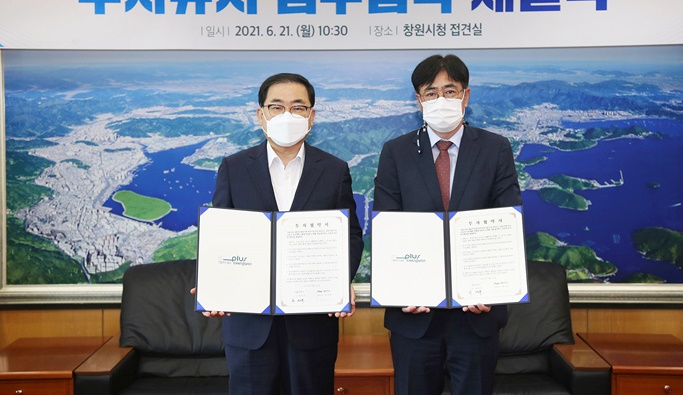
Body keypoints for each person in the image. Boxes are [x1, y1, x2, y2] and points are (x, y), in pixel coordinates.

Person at [195, 72, 364, 395]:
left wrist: (340, 278)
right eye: (276, 107)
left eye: (298, 107)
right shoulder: (234, 167)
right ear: (261, 115)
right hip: (249, 326)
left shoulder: (334, 170)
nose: (288, 115)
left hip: (312, 323)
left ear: (311, 116)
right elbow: (221, 233)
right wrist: (213, 284)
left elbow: (351, 235)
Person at [373, 54, 522, 395]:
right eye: (431, 93)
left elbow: (507, 220)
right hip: (413, 315)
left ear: (465, 96)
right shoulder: (395, 151)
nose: (441, 100)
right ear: (419, 101)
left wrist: (492, 288)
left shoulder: (495, 148)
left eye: (450, 91)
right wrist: (400, 289)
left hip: (476, 314)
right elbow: (387, 227)